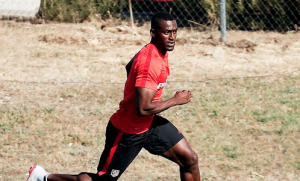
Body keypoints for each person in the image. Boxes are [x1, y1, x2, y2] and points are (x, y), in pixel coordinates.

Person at [26, 11, 200, 181]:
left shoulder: (159, 51)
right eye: (166, 32)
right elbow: (143, 108)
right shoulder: (150, 62)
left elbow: (129, 67)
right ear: (154, 33)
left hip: (150, 124)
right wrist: (175, 100)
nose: (172, 37)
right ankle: (42, 177)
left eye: (175, 31)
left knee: (189, 159)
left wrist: (141, 95)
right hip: (128, 131)